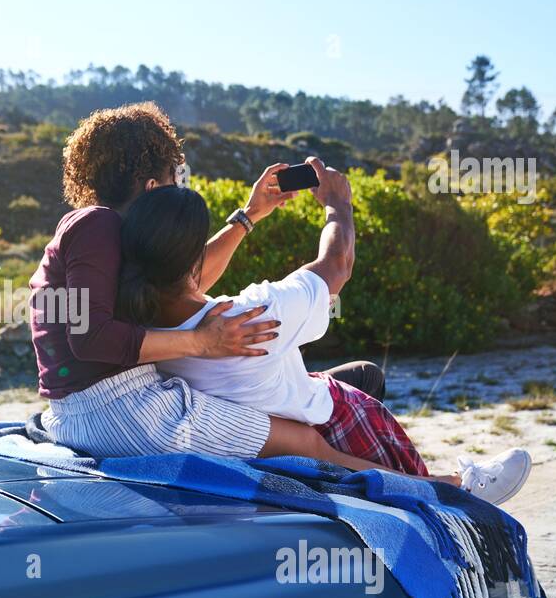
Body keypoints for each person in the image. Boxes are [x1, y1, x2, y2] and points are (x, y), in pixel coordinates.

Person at [115, 165, 532, 505]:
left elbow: (181, 276)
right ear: (193, 259)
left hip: (258, 425)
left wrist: (250, 214)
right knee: (363, 393)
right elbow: (337, 265)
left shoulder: (138, 324)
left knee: (364, 373)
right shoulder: (253, 317)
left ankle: (438, 479)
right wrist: (338, 206)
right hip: (322, 424)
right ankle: (454, 491)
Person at [29, 102, 400, 466]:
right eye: (175, 178)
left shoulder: (116, 234)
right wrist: (201, 341)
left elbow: (182, 279)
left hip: (103, 408)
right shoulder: (94, 225)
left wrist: (249, 215)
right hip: (120, 412)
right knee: (307, 441)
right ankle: (432, 489)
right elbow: (88, 337)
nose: (176, 186)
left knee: (338, 397)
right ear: (152, 185)